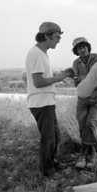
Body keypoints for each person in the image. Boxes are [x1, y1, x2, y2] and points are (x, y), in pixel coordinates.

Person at [25, 22, 74, 180]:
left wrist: (58, 76)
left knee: (55, 136)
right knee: (48, 138)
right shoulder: (36, 54)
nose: (58, 40)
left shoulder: (42, 54)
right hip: (41, 102)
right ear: (46, 35)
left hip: (47, 101)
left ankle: (54, 162)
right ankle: (48, 172)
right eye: (56, 37)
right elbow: (38, 82)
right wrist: (58, 78)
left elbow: (43, 79)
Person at [71, 37, 97, 170]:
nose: (82, 50)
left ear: (88, 47)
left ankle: (85, 154)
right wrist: (80, 80)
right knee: (82, 124)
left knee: (91, 124)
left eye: (83, 47)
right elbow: (76, 83)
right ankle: (92, 153)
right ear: (76, 51)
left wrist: (85, 80)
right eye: (79, 48)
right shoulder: (75, 63)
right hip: (83, 98)